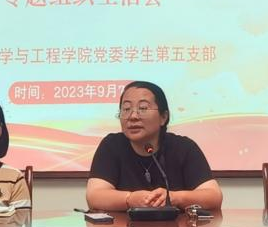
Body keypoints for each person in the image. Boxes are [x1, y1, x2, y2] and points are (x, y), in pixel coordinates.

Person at [85, 80, 222, 210]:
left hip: (176, 226)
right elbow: (94, 196)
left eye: (143, 108)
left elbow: (214, 196)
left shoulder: (184, 147)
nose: (133, 116)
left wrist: (174, 197)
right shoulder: (112, 146)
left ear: (163, 117)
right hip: (124, 226)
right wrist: (129, 199)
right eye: (126, 109)